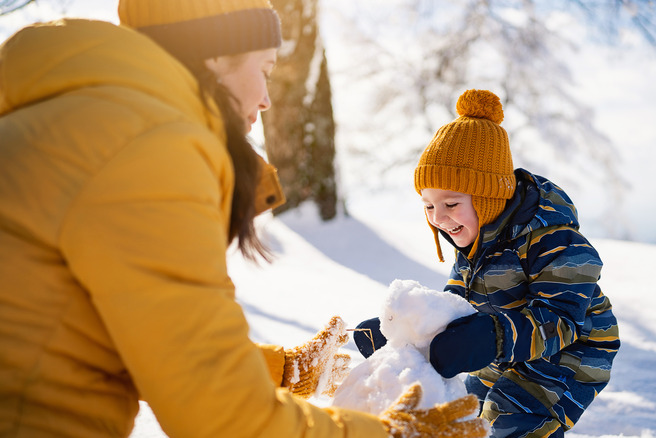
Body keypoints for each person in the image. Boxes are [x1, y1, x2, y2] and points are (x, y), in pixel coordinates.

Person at [0, 1, 490, 437]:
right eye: (266, 69)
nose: (265, 98)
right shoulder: (143, 149)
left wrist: (281, 370)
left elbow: (155, 347)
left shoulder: (85, 124)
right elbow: (219, 414)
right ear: (214, 55)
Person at [354, 89, 620, 437]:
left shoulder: (551, 239)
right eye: (429, 206)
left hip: (570, 352)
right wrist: (408, 335)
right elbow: (455, 306)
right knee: (464, 415)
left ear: (488, 197)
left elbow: (561, 320)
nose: (439, 218)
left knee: (508, 418)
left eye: (450, 204)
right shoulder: (475, 238)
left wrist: (491, 338)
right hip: (508, 348)